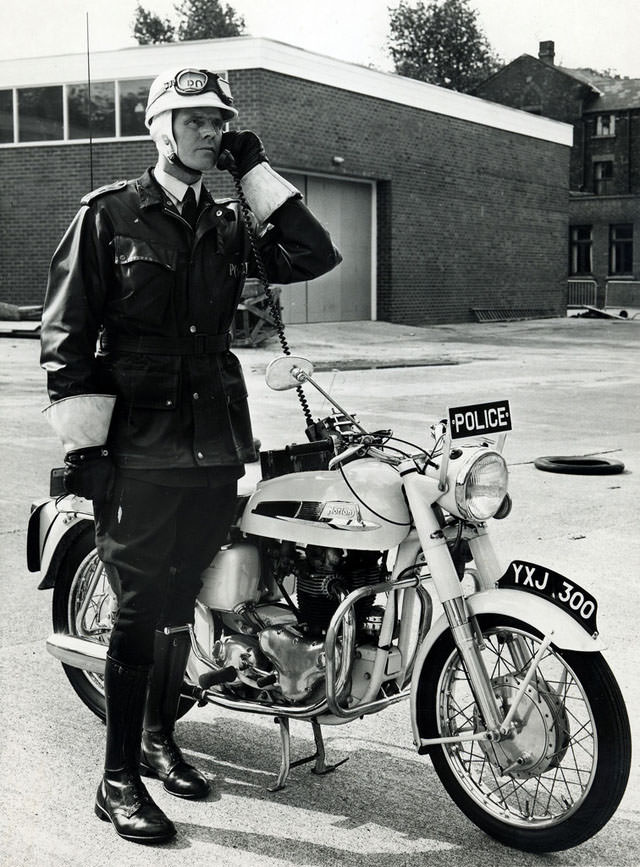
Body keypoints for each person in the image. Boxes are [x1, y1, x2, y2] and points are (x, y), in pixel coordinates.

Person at [40, 64, 341, 845]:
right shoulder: (108, 216)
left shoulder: (232, 221)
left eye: (219, 122)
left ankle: (156, 737)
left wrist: (257, 169)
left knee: (182, 606)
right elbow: (65, 341)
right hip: (137, 449)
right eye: (195, 120)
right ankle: (115, 781)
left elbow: (314, 253)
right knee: (139, 614)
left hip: (213, 447)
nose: (209, 131)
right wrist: (85, 454)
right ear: (161, 128)